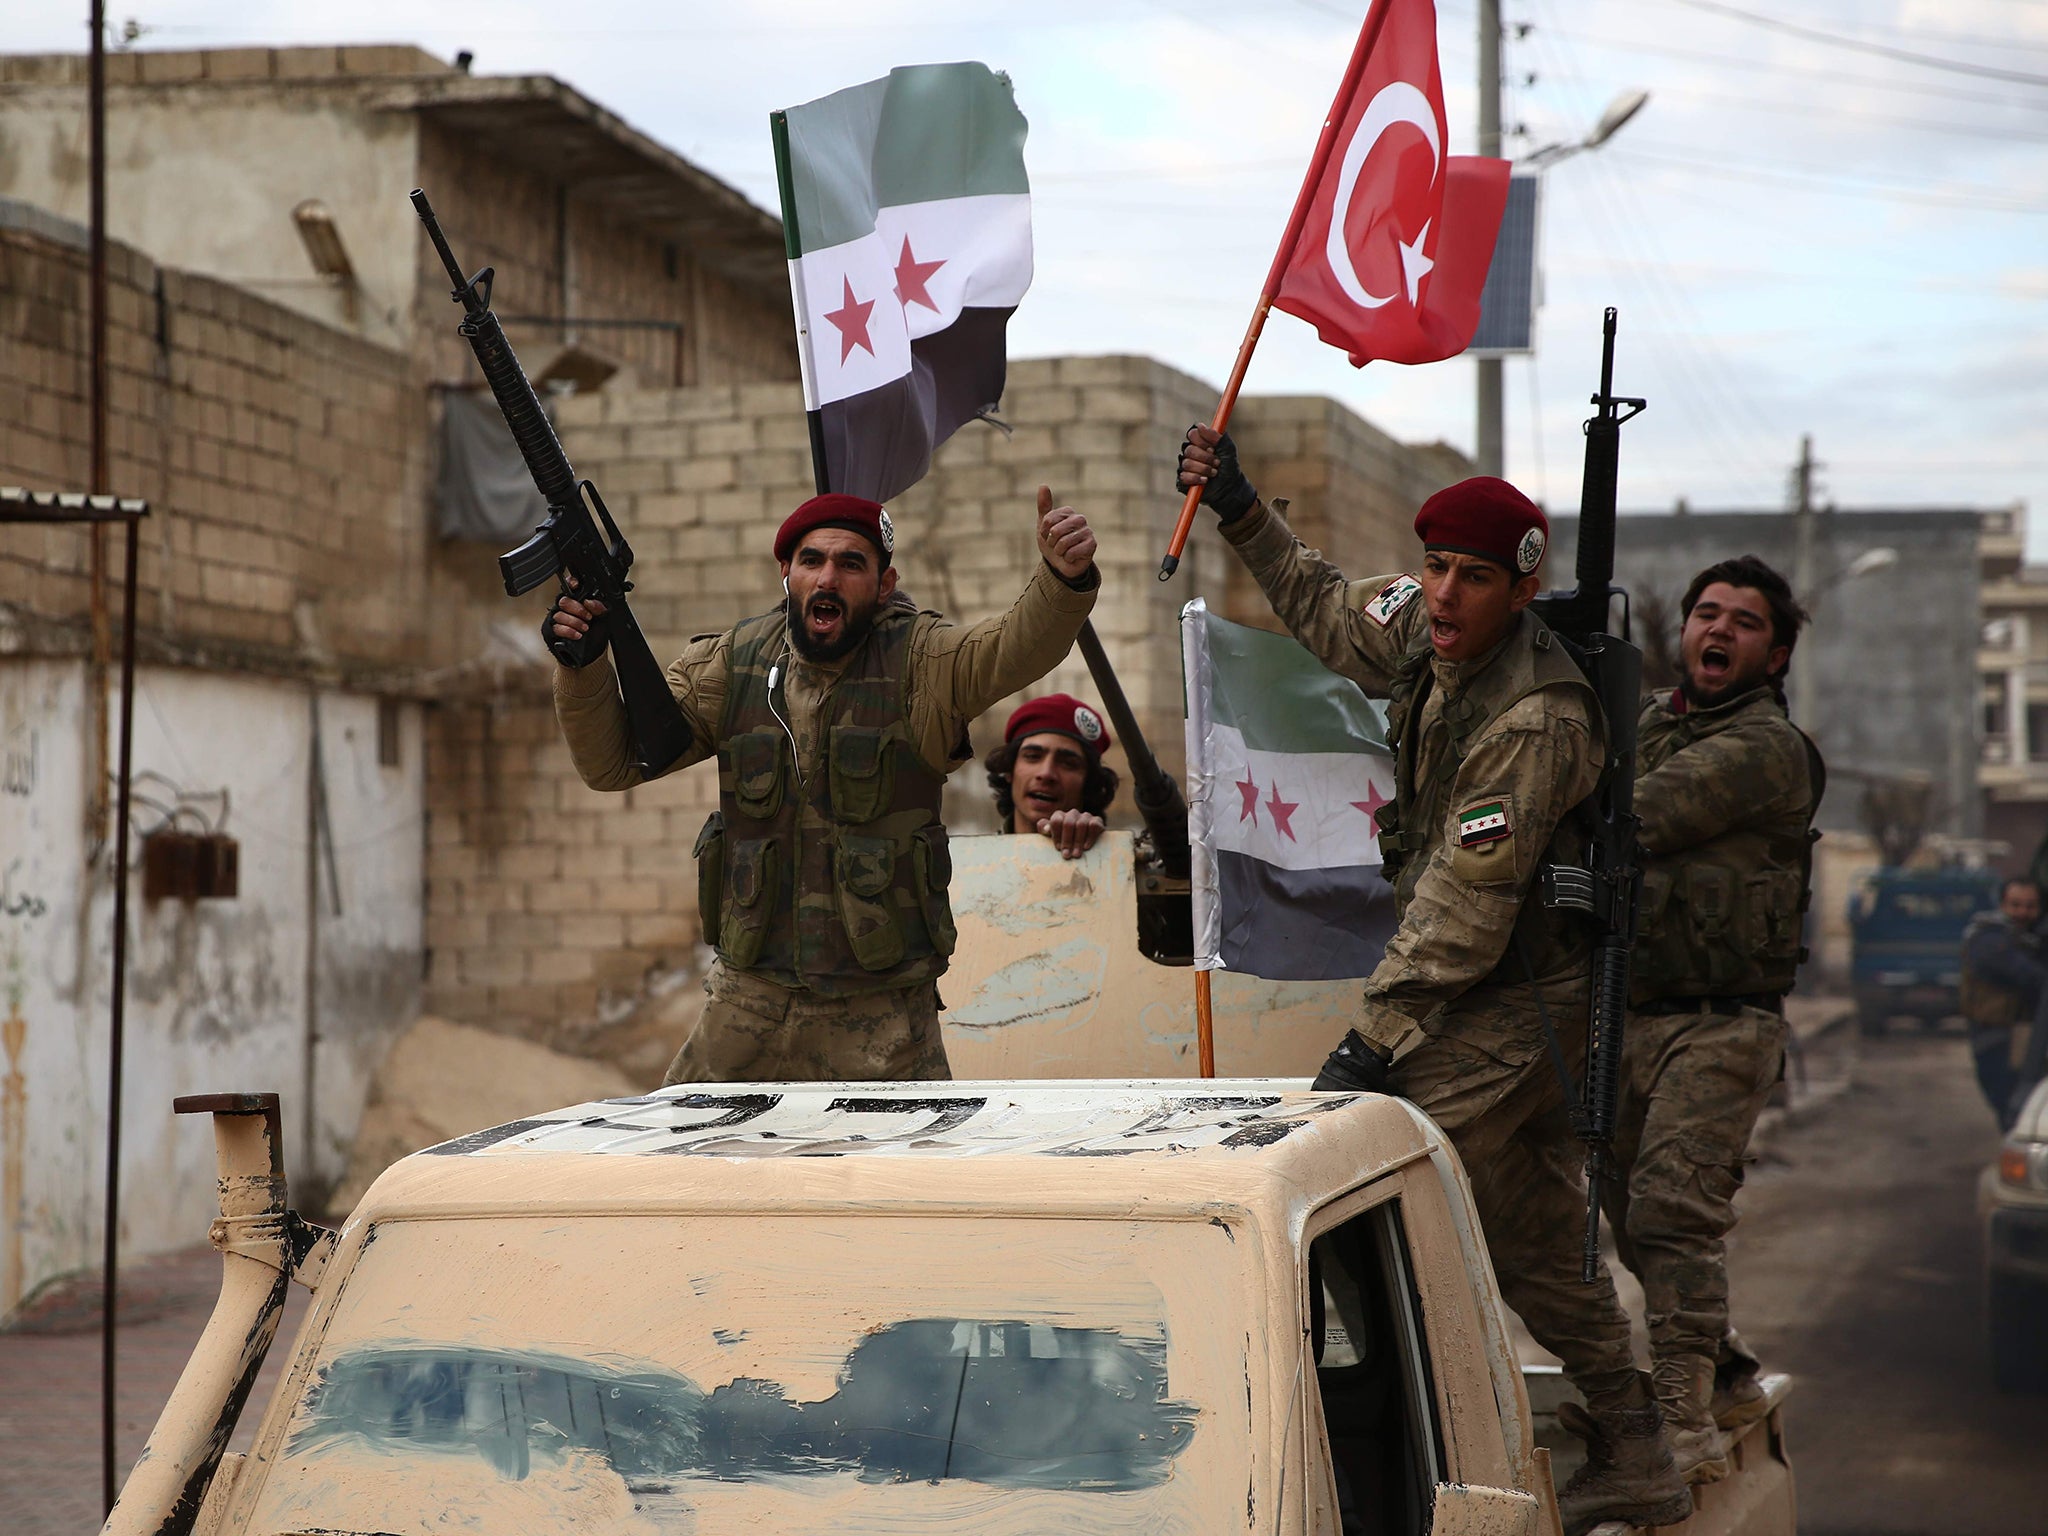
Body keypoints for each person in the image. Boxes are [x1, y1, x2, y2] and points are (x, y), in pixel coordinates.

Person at [1178, 425, 1691, 1534]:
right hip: (1474, 994)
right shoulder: (1429, 624)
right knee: (1525, 1236)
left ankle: (1336, 1411)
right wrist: (1239, 507)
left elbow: (1463, 906)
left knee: (1362, 1154)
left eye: (1471, 576)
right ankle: (1636, 1438)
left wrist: (1371, 1044)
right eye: (1434, 567)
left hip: (1524, 1002)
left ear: (1523, 584)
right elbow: (1329, 612)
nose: (1444, 594)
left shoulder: (1538, 719)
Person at [550, 486, 1099, 1084]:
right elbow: (614, 765)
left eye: (851, 563)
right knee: (690, 1169)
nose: (828, 578)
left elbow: (1010, 648)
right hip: (746, 1004)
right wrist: (583, 668)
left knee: (901, 1176)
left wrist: (1060, 580)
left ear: (884, 585)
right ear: (786, 573)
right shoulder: (731, 664)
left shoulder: (922, 661)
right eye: (812, 561)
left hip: (881, 1015)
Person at [1601, 555, 1823, 1485]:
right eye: (1706, 613)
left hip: (1725, 1023)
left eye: (1743, 621)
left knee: (1672, 1210)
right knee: (1631, 1220)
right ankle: (1723, 1365)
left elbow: (1635, 815)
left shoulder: (1768, 749)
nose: (1718, 629)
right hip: (1630, 1013)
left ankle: (1685, 1425)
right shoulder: (1644, 723)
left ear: (1774, 657)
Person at [985, 693, 1120, 858]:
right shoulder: (975, 862)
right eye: (1033, 756)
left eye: (1068, 763)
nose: (1046, 773)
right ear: (1009, 771)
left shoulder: (1112, 863)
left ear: (1088, 782)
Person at [1960, 877, 2045, 1130]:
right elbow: (2029, 975)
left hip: (2024, 1039)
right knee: (2013, 1113)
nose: (2022, 912)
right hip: (1996, 1040)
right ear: (2002, 905)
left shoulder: (2030, 937)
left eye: (2030, 906)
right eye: (2015, 905)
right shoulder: (1988, 938)